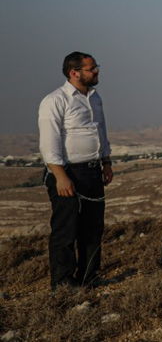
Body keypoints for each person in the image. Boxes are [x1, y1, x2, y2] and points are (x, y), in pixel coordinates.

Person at [37, 52, 112, 291]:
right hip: (67, 172)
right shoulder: (55, 100)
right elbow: (49, 142)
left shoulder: (94, 97)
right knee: (66, 230)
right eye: (91, 68)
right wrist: (60, 176)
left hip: (92, 171)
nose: (96, 71)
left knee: (93, 228)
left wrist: (106, 162)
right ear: (74, 72)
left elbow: (100, 131)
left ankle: (89, 277)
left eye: (96, 67)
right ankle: (63, 284)